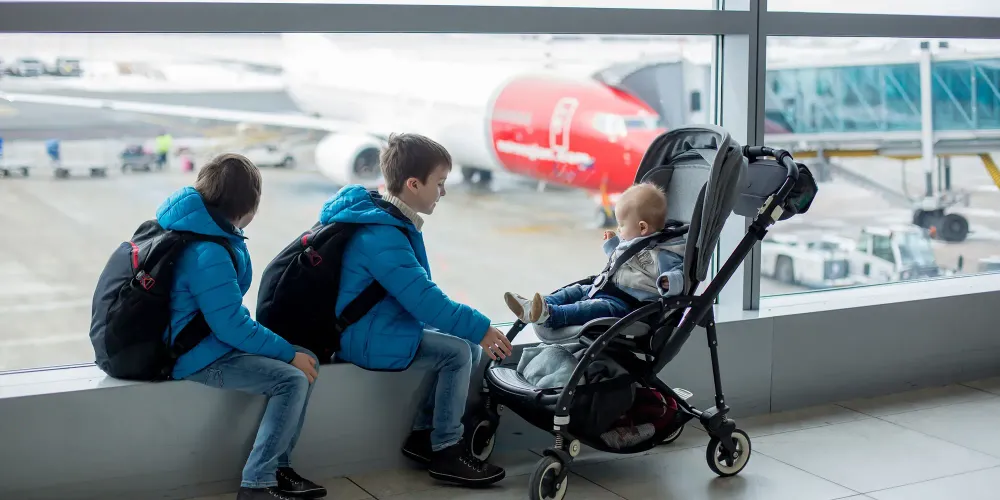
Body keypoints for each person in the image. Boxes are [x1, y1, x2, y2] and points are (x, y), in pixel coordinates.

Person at [319, 133, 512, 486]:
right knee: (458, 353)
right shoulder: (384, 236)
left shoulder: (386, 219)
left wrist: (472, 332)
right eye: (439, 183)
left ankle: (425, 438)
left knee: (466, 347)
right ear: (413, 184)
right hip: (365, 337)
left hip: (373, 325)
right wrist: (482, 327)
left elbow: (416, 298)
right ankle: (447, 451)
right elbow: (425, 300)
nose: (443, 192)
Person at [157, 153, 325, 500]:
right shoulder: (209, 251)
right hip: (195, 357)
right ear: (249, 204)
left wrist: (290, 352)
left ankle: (278, 467)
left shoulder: (196, 230)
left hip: (201, 344)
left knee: (304, 357)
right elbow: (231, 325)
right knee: (292, 377)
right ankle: (257, 483)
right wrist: (286, 354)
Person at [505, 182, 685, 329]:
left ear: (642, 227)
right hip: (604, 288)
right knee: (574, 291)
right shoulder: (635, 242)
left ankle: (551, 315)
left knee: (588, 308)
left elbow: (680, 274)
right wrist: (613, 245)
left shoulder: (663, 253)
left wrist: (669, 281)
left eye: (622, 225)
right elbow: (624, 262)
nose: (619, 229)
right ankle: (535, 306)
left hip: (626, 305)